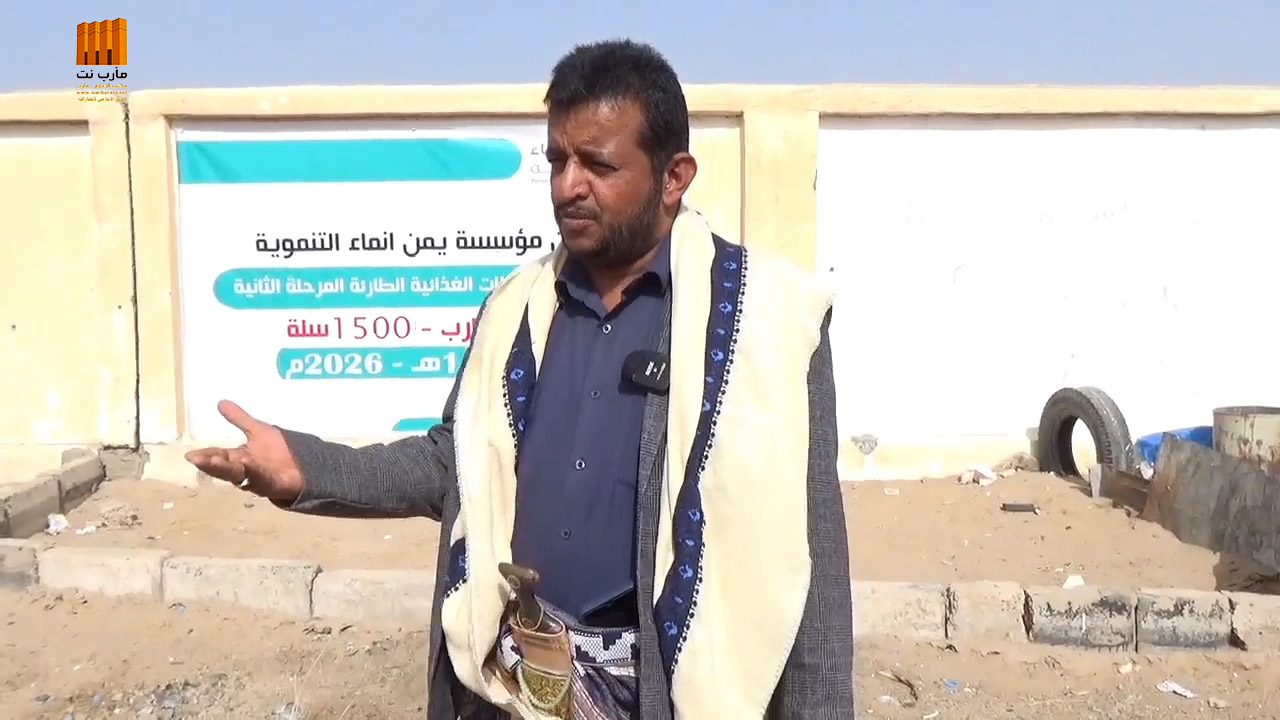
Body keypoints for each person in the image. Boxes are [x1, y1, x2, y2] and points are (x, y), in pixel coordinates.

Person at [186, 38, 854, 720]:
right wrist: (306, 468)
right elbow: (453, 464)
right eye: (557, 160)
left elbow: (813, 559)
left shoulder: (766, 320)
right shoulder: (514, 309)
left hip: (665, 694)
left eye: (598, 164)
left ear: (673, 177)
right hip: (510, 685)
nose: (568, 186)